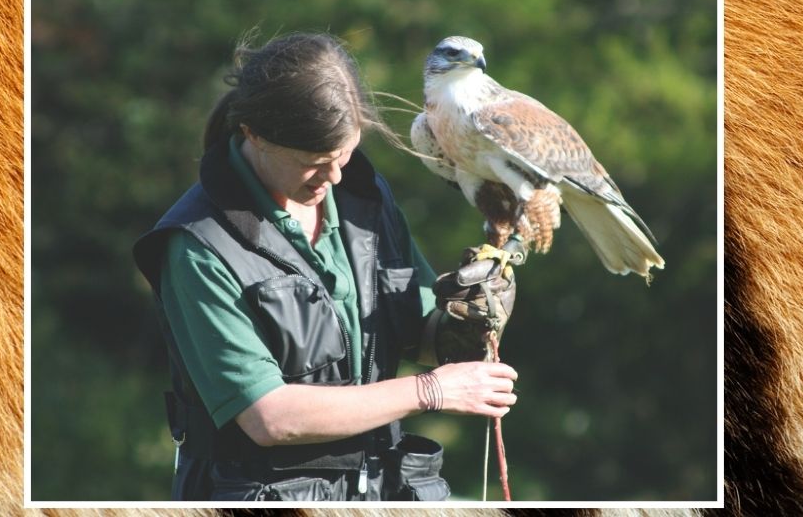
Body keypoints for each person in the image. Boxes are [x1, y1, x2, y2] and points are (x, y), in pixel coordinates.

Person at [133, 34, 517, 501]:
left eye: (345, 154)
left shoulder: (363, 196)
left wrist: (470, 321)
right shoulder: (198, 245)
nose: (333, 177)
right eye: (313, 163)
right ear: (252, 132)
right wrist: (431, 391)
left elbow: (423, 338)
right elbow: (270, 417)